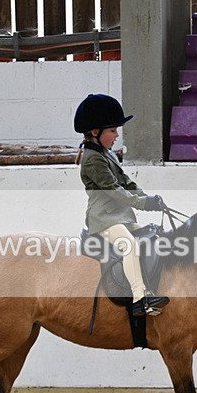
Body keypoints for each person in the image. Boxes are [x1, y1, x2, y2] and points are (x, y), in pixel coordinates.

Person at [75, 93, 169, 317]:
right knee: (130, 246)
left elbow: (126, 182)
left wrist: (149, 198)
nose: (117, 135)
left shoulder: (107, 154)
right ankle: (140, 299)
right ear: (95, 132)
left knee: (154, 235)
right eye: (112, 131)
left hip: (121, 217)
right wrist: (143, 203)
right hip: (104, 220)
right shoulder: (92, 159)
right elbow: (115, 192)